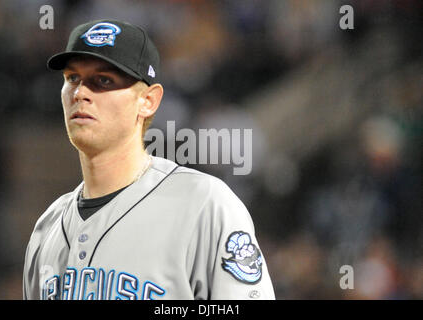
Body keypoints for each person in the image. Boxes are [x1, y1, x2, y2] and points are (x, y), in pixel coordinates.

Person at [23, 19, 275, 300]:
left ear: (149, 101)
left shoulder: (204, 204)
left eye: (103, 80)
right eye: (72, 78)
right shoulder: (47, 228)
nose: (81, 93)